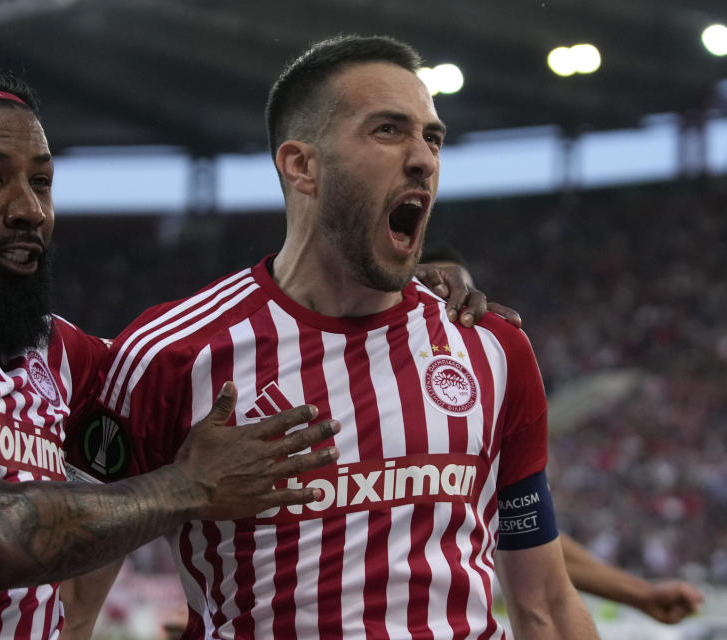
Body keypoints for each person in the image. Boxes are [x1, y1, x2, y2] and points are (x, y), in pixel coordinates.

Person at [0, 63, 350, 639]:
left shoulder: (54, 350)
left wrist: (389, 286)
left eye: (40, 182)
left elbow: (189, 361)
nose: (30, 210)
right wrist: (189, 486)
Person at [67, 35, 600, 638]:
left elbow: (546, 606)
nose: (424, 157)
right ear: (302, 166)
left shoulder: (490, 348)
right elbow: (70, 609)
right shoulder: (167, 356)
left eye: (432, 136)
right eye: (389, 131)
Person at [422, 246, 705, 625]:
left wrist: (641, 593)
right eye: (435, 293)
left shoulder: (486, 403)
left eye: (466, 298)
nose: (455, 309)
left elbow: (529, 541)